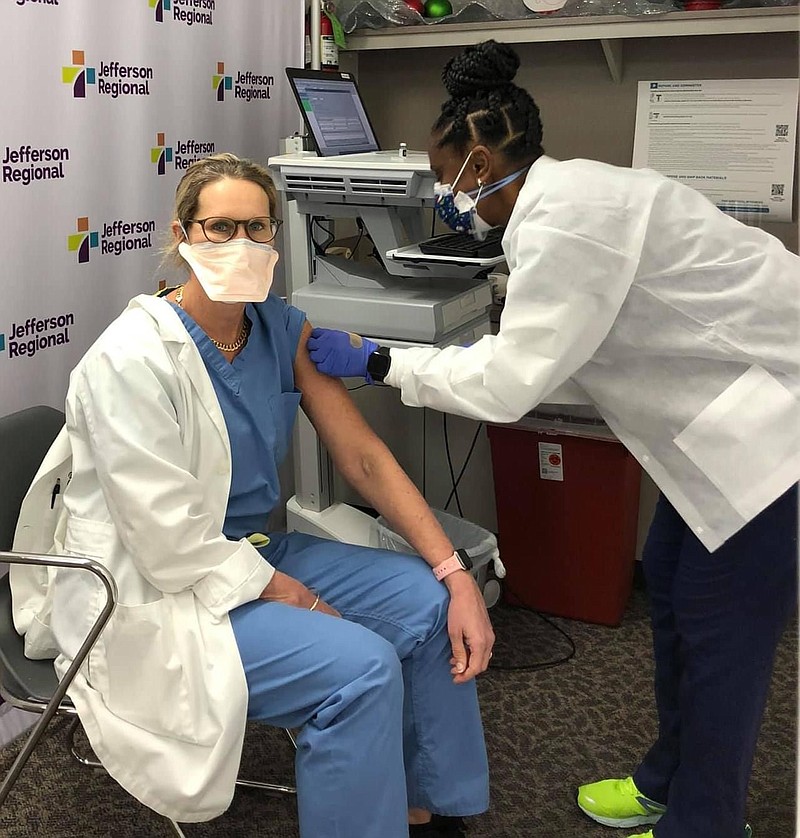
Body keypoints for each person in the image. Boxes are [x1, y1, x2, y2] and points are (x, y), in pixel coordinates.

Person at [306, 40, 800, 838]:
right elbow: (569, 358)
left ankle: (706, 824)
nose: (447, 199)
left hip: (770, 435)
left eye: (444, 182)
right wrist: (439, 357)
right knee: (671, 584)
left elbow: (509, 386)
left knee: (719, 640)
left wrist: (384, 361)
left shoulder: (567, 222)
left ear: (478, 159)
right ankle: (666, 783)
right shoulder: (568, 197)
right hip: (716, 432)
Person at [10, 153, 495, 838]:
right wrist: (303, 598)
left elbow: (361, 456)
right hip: (159, 586)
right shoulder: (131, 358)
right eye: (219, 227)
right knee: (360, 668)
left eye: (257, 228)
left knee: (427, 598)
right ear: (181, 237)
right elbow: (166, 540)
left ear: (275, 237)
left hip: (251, 553)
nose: (240, 243)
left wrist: (456, 573)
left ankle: (424, 807)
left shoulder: (279, 329)